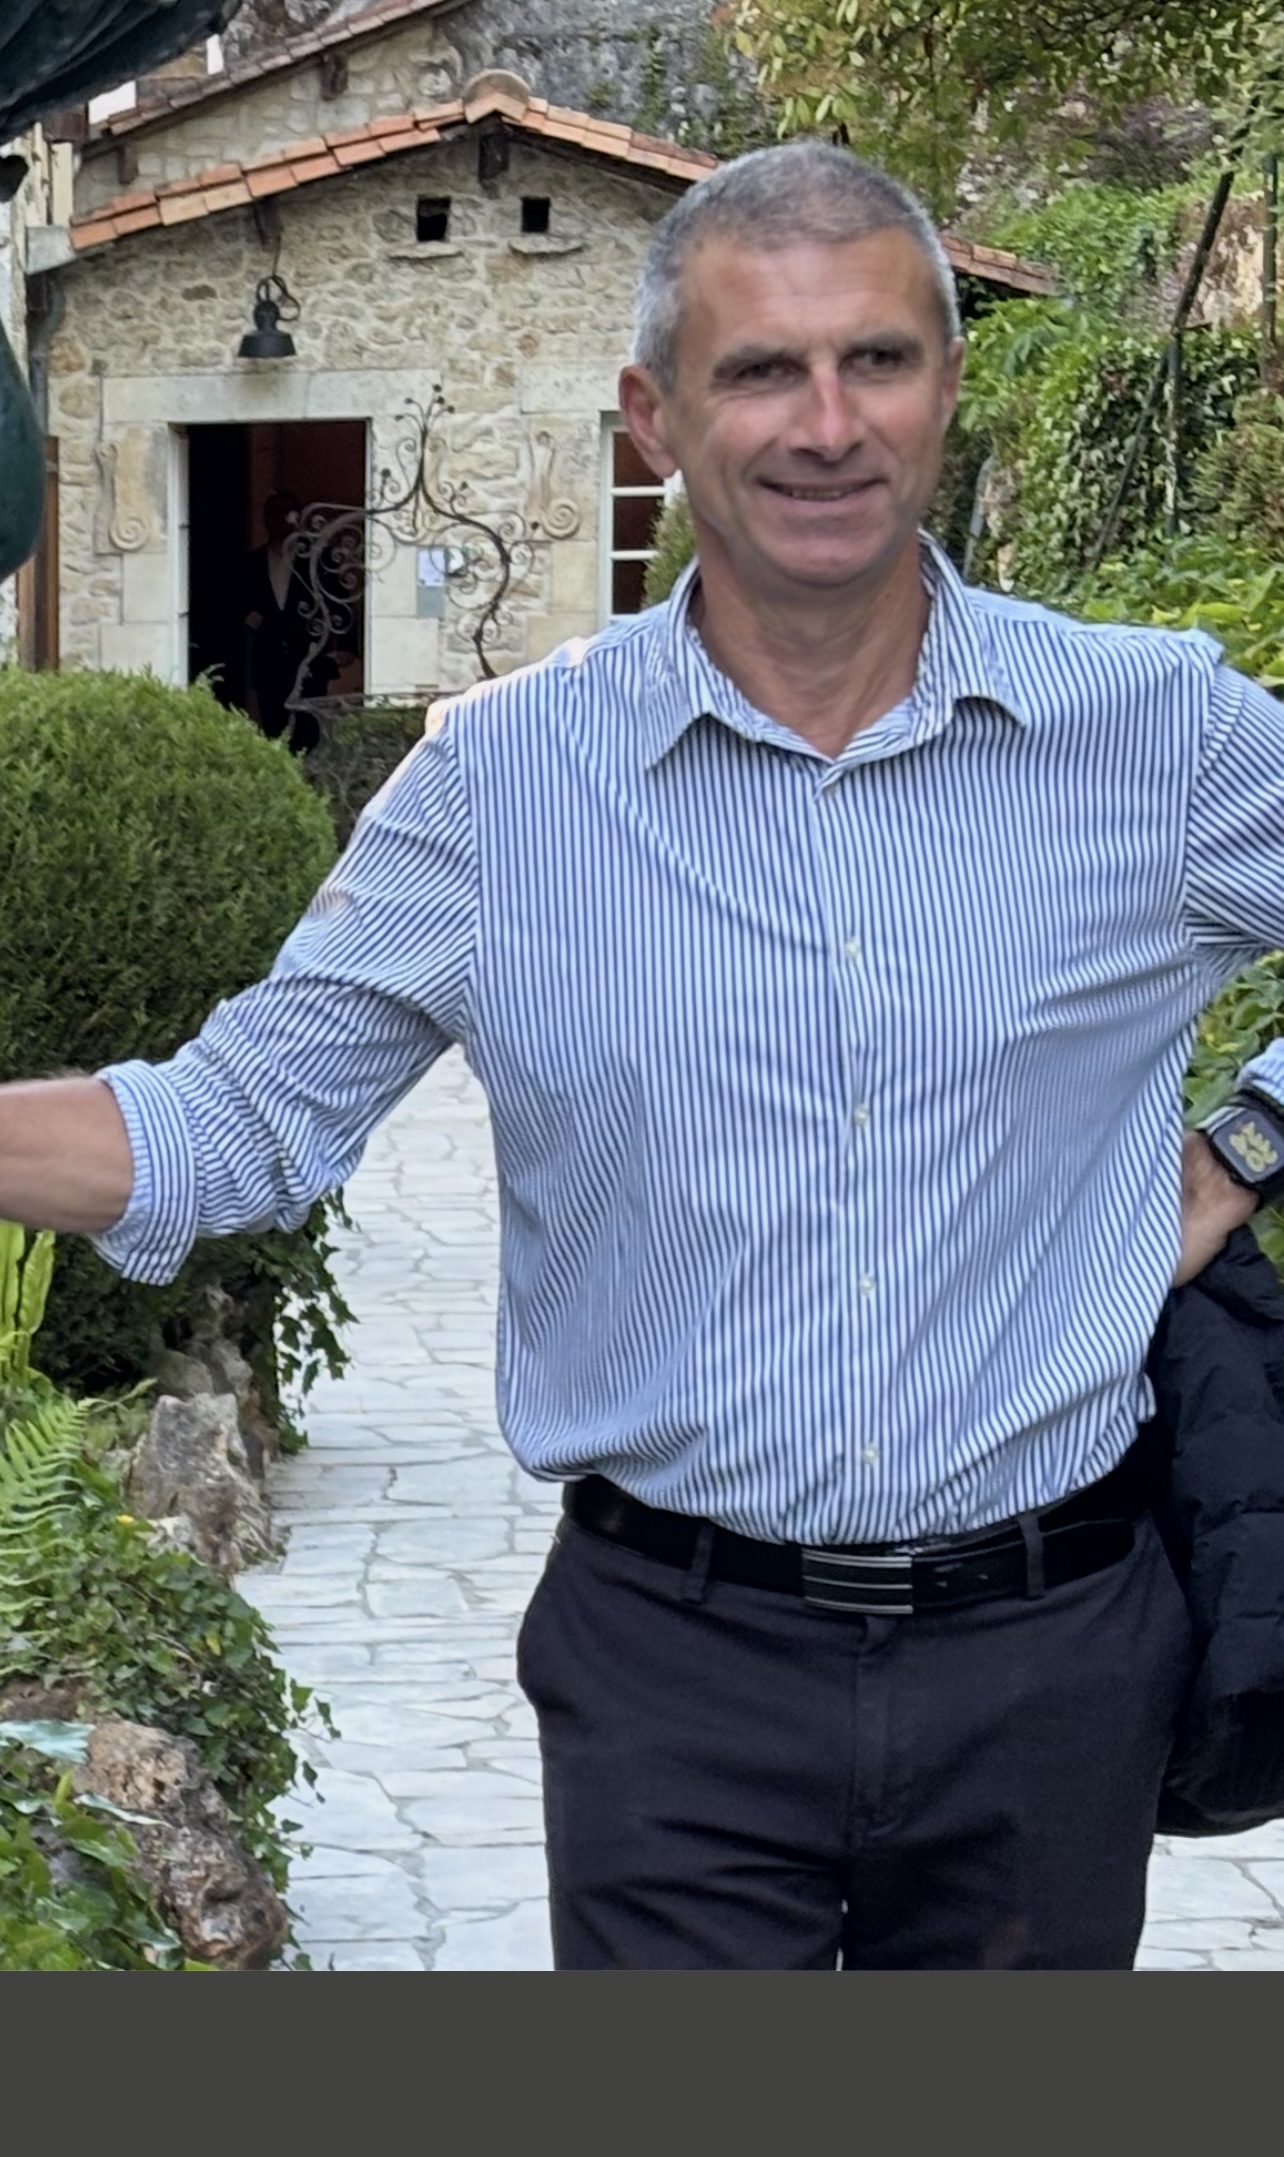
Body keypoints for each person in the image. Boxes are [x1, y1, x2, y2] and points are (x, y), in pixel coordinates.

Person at [3, 141, 1283, 1970]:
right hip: (674, 1669)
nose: (825, 424)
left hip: (1051, 1654)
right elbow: (233, 1124)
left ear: (944, 383)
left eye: (876, 359)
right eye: (760, 370)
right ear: (652, 418)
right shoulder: (498, 786)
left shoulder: (1154, 734)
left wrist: (1246, 1140)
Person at [244, 488, 325, 755]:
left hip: (309, 656)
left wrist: (346, 647)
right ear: (265, 519)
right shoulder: (252, 563)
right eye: (275, 512)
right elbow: (236, 604)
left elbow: (336, 600)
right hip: (269, 658)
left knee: (310, 727)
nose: (281, 518)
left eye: (287, 511)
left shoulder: (316, 560)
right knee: (273, 727)